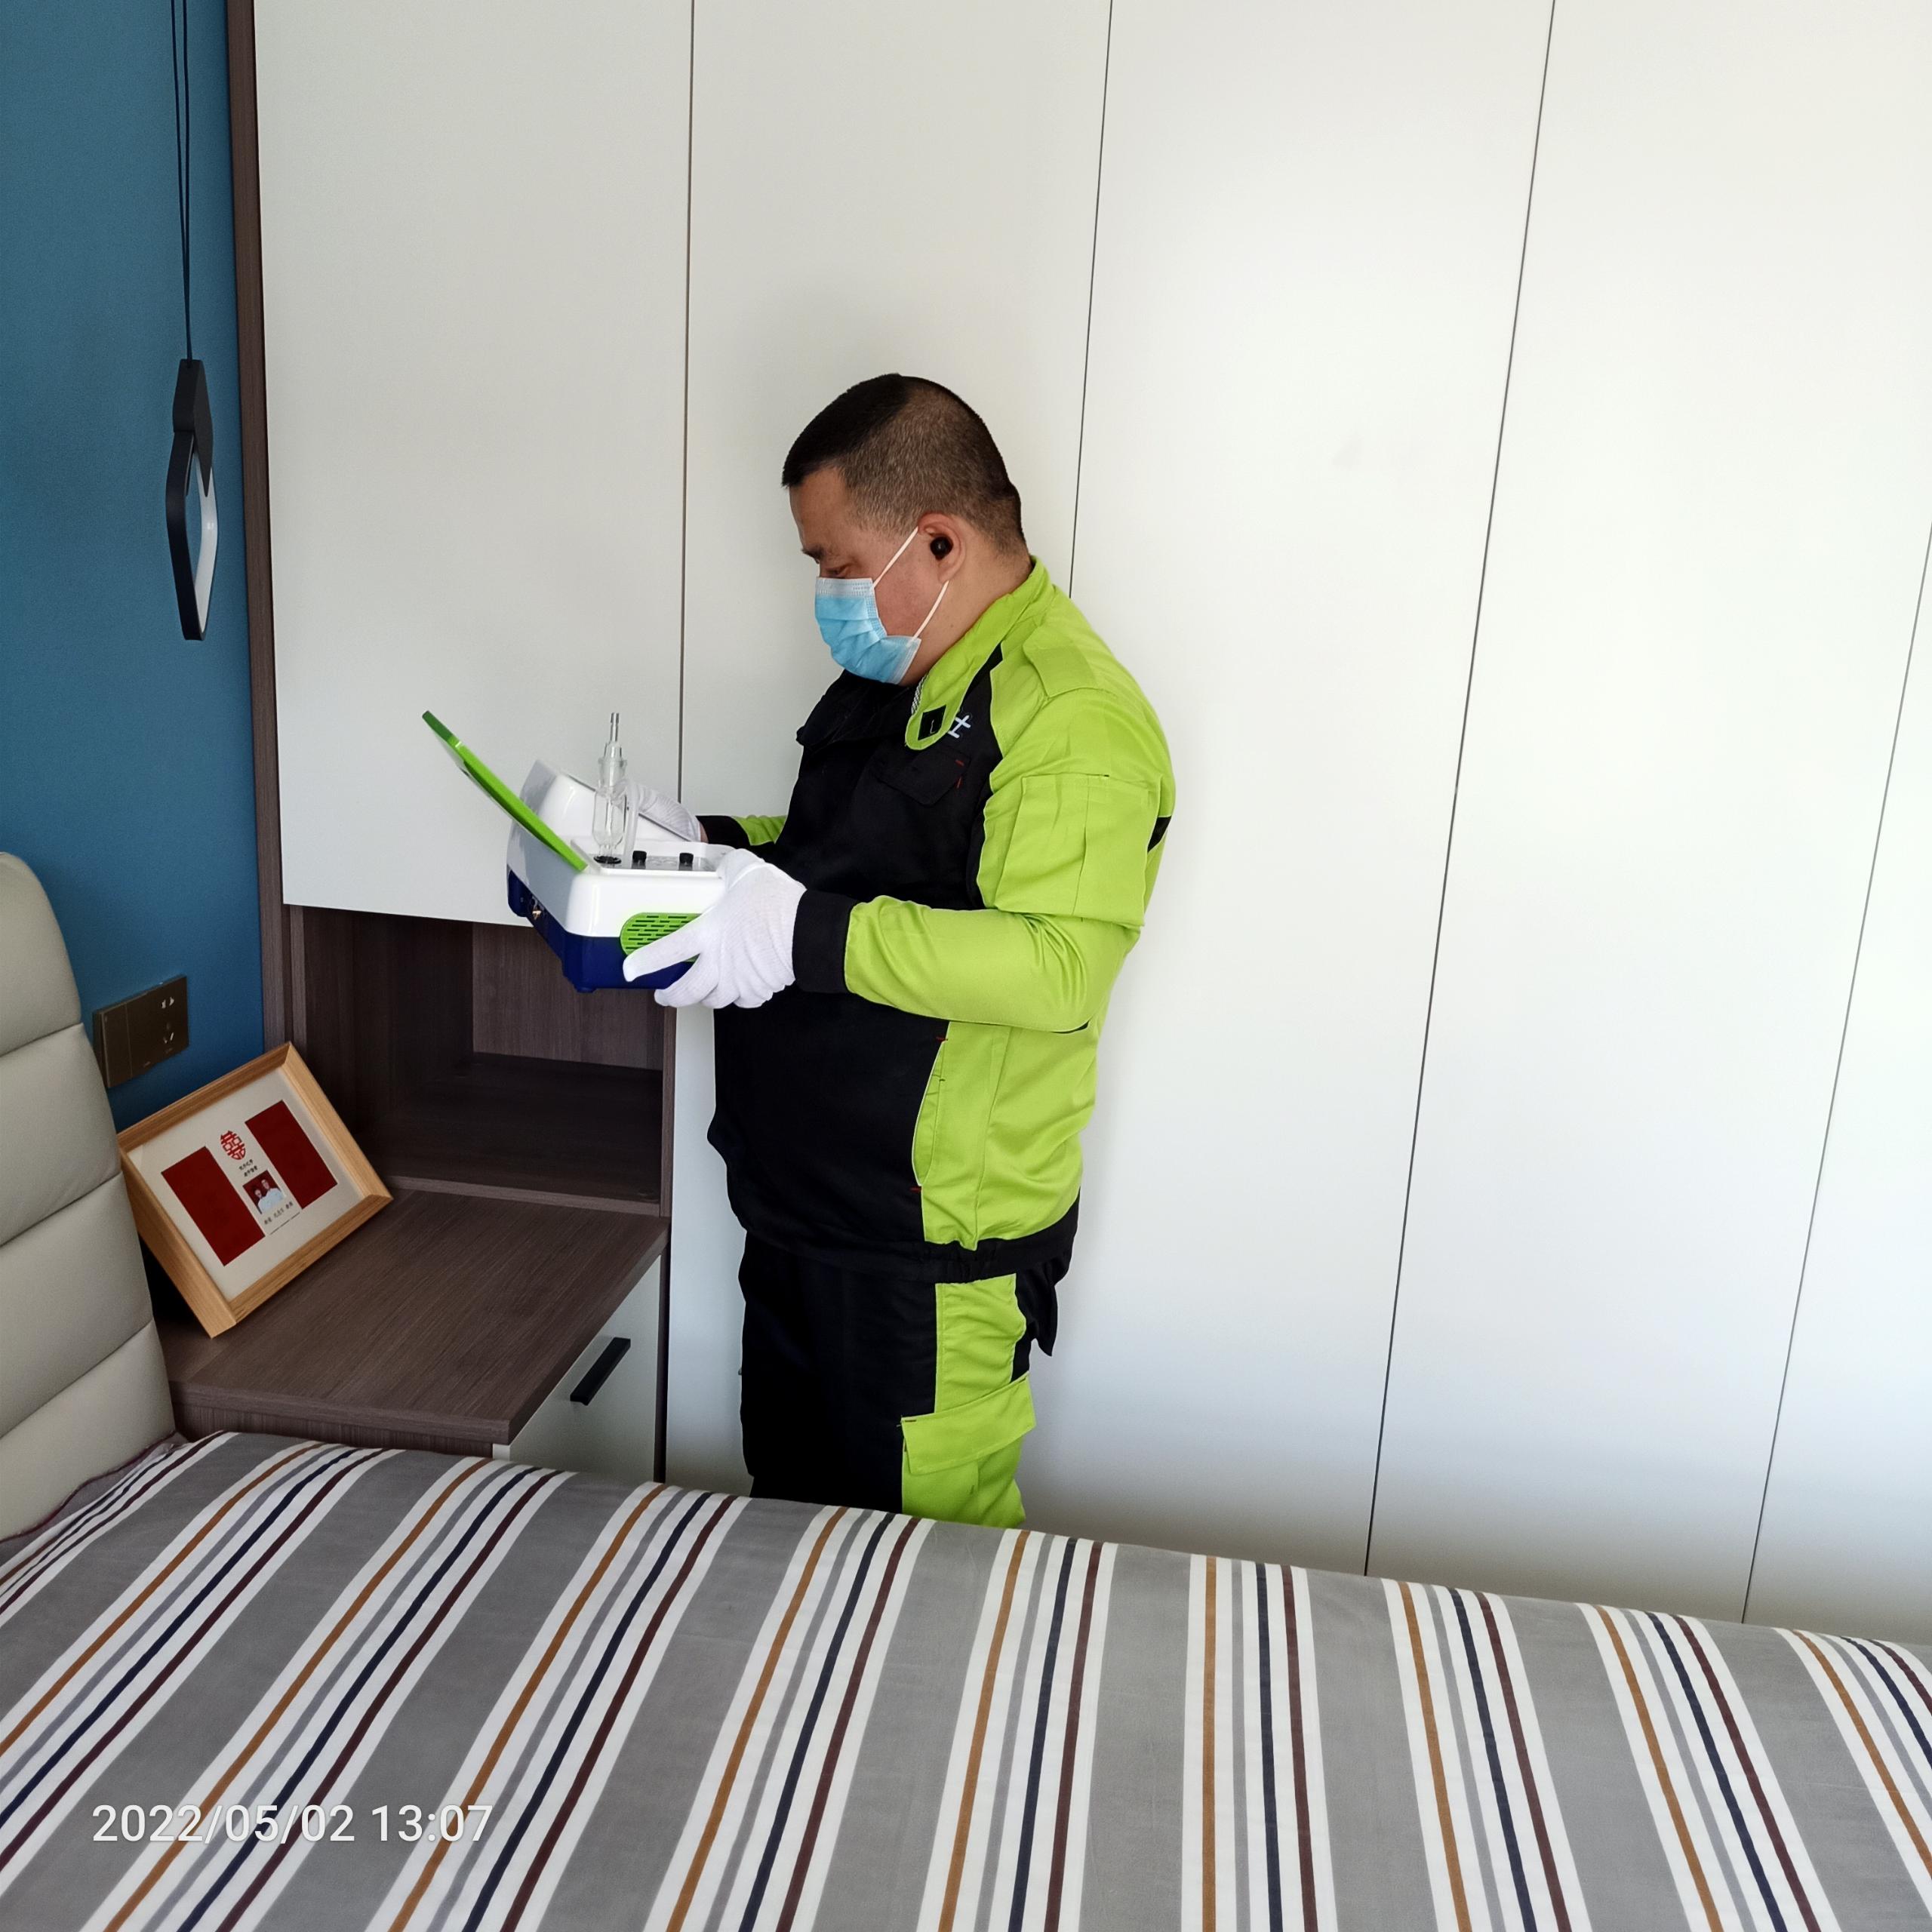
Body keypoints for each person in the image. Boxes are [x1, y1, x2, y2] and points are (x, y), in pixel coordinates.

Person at [623, 374, 1174, 1527]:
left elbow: (1056, 967)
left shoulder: (1070, 715)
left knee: (928, 1584)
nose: (825, 594)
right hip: (803, 1212)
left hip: (925, 1262)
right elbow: (856, 854)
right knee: (790, 1537)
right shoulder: (908, 670)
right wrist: (709, 852)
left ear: (939, 541)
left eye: (835, 564)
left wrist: (795, 931)